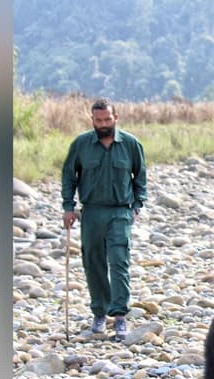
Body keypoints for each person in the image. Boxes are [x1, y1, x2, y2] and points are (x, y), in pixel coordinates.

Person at [61, 98, 147, 340]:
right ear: (92, 120)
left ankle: (119, 316)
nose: (103, 124)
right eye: (98, 120)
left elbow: (140, 177)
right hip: (91, 213)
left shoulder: (130, 144)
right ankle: (99, 312)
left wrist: (136, 207)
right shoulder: (81, 144)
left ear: (116, 118)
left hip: (120, 212)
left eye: (107, 119)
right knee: (93, 262)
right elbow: (69, 177)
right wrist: (69, 207)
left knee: (119, 262)